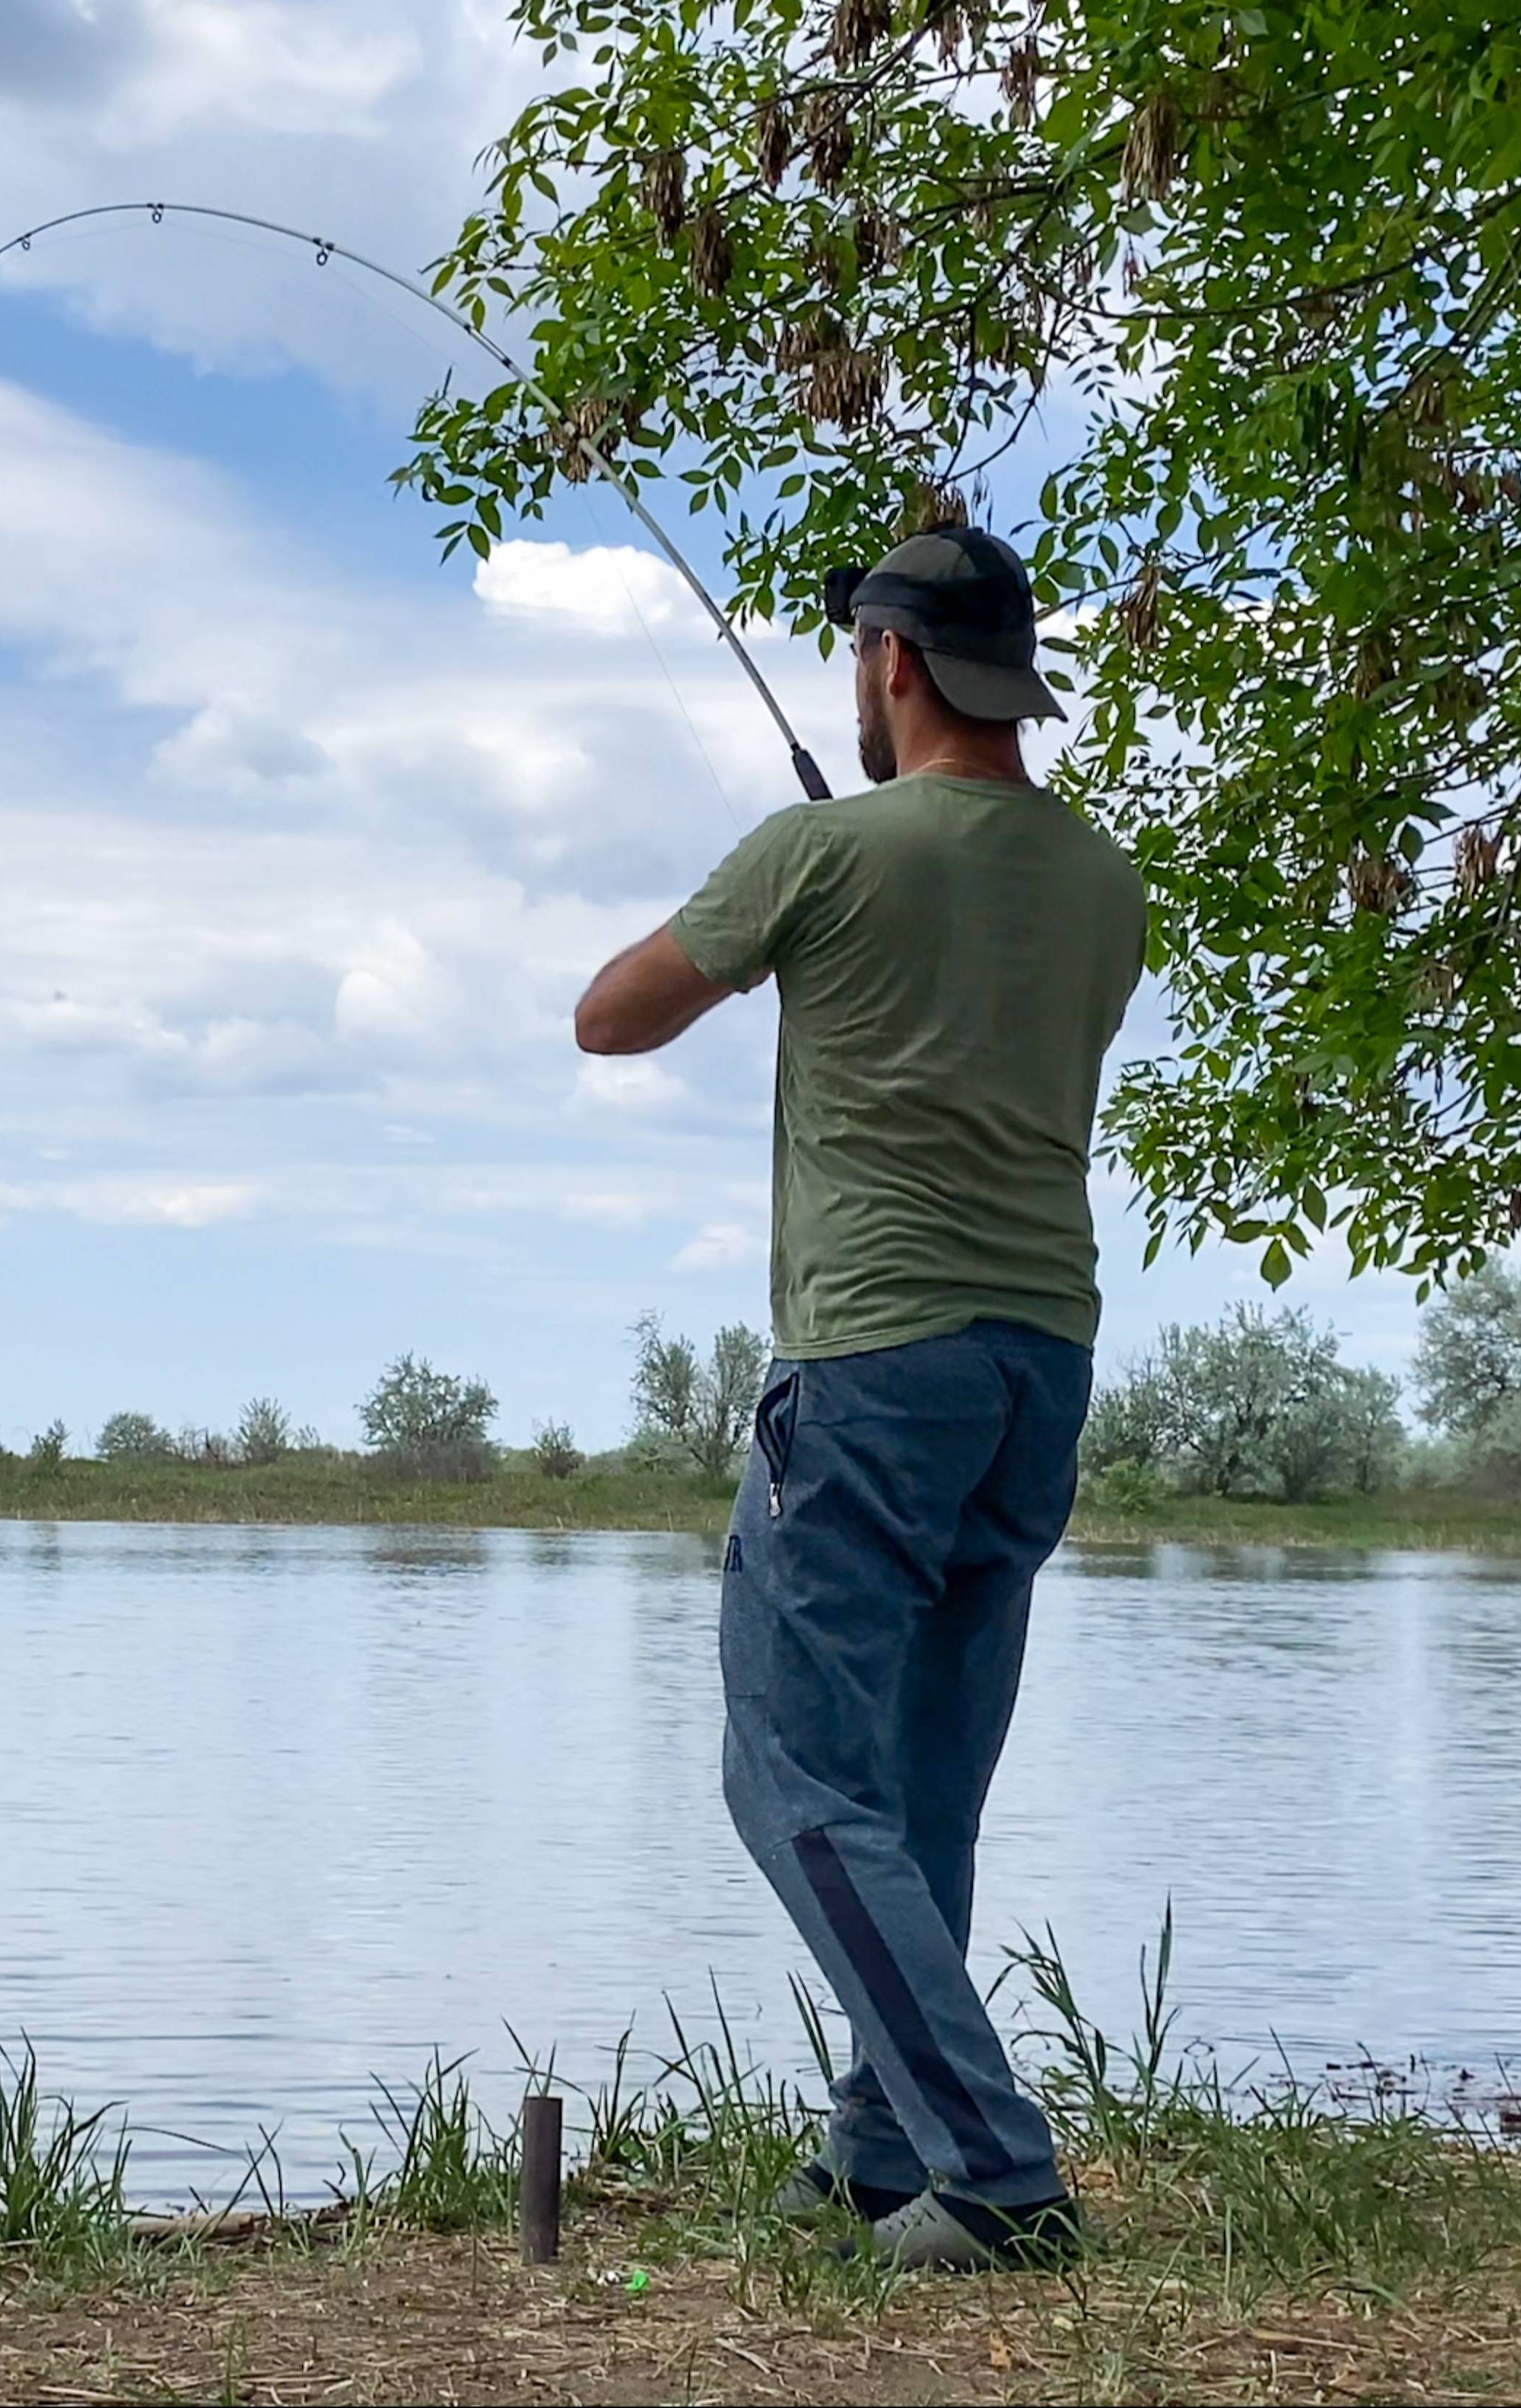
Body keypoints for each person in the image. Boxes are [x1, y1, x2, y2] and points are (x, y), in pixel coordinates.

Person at [572, 523, 1147, 2271]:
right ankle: (878, 2155)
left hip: (874, 1363)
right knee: (918, 1792)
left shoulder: (817, 853)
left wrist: (796, 880)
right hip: (1035, 1366)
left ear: (890, 665)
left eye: (859, 658)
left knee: (792, 1780)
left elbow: (608, 1016)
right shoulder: (1104, 879)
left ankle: (990, 2168)